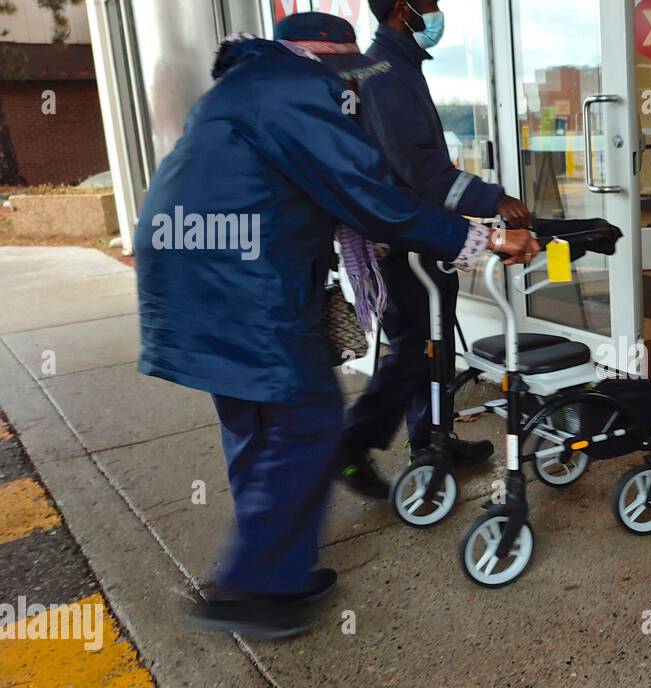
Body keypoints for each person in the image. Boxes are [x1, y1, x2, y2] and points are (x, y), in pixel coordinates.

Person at [134, 30, 539, 639]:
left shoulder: (241, 87)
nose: (351, 86)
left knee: (255, 423)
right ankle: (256, 588)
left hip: (189, 272)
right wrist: (478, 239)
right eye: (347, 71)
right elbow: (367, 192)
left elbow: (302, 190)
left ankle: (281, 572)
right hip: (238, 280)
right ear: (322, 57)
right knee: (308, 422)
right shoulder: (294, 91)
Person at [334, 0, 535, 499]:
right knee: (414, 348)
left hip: (416, 231)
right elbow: (420, 169)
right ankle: (351, 445)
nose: (438, 11)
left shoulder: (395, 64)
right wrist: (495, 199)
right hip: (402, 235)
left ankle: (431, 437)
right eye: (431, 4)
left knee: (432, 343)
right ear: (404, 10)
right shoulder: (385, 74)